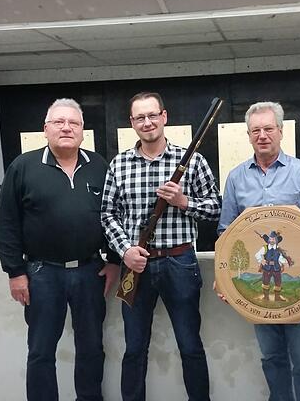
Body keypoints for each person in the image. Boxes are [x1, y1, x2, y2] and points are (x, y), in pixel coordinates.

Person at [0, 98, 121, 401]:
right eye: (59, 122)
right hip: (41, 274)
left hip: (91, 272)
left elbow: (115, 215)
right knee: (40, 350)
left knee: (91, 347)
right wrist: (15, 272)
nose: (67, 128)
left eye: (74, 123)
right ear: (45, 129)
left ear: (82, 131)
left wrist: (115, 260)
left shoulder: (100, 166)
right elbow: (7, 223)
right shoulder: (23, 167)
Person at [101, 92, 221, 401]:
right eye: (140, 117)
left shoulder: (192, 160)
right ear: (132, 123)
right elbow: (107, 214)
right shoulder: (119, 164)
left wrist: (183, 202)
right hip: (135, 264)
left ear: (164, 117)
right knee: (134, 348)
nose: (147, 122)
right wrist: (125, 249)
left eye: (152, 115)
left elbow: (215, 208)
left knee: (190, 345)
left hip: (180, 262)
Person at [217, 101, 300, 401]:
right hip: (256, 293)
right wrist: (224, 278)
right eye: (255, 130)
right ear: (248, 135)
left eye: (269, 128)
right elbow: (226, 232)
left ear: (281, 131)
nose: (262, 135)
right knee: (271, 358)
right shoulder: (236, 178)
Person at [255, 231, 291, 301]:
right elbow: (257, 255)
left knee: (278, 283)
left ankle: (277, 298)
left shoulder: (278, 249)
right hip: (267, 268)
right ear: (268, 240)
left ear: (276, 240)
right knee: (265, 282)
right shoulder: (264, 248)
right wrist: (261, 260)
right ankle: (266, 297)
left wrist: (285, 262)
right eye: (270, 239)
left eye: (273, 239)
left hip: (276, 268)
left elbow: (281, 258)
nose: (272, 240)